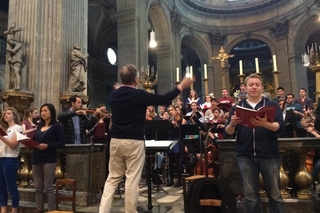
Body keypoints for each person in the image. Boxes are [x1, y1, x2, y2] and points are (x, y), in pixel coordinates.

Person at [99, 64, 194, 213]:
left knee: (112, 178)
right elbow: (163, 98)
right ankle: (130, 211)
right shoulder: (139, 95)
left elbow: (118, 93)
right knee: (132, 179)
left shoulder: (113, 95)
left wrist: (119, 88)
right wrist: (181, 86)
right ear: (136, 79)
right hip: (134, 141)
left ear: (122, 79)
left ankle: (102, 211)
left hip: (116, 140)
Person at [225, 74, 286, 213]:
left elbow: (281, 128)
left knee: (275, 195)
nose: (254, 87)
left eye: (257, 85)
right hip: (245, 156)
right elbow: (228, 132)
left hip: (269, 155)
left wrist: (265, 124)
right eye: (251, 85)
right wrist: (233, 124)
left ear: (262, 87)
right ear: (245, 88)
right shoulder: (237, 107)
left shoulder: (272, 105)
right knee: (251, 195)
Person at [32, 103, 65, 213]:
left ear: (51, 112)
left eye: (45, 110)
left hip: (49, 158)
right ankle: (39, 210)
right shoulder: (39, 126)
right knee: (38, 188)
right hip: (36, 158)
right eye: (41, 111)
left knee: (48, 187)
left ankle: (51, 210)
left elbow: (62, 143)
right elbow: (34, 139)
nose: (43, 113)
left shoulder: (57, 126)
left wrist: (48, 146)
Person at [0, 107, 22, 213]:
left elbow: (13, 144)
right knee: (1, 186)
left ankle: (14, 210)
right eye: (5, 113)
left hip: (10, 159)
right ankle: (3, 210)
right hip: (1, 158)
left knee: (11, 186)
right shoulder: (3, 129)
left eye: (8, 113)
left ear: (14, 115)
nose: (6, 115)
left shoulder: (18, 128)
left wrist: (2, 137)